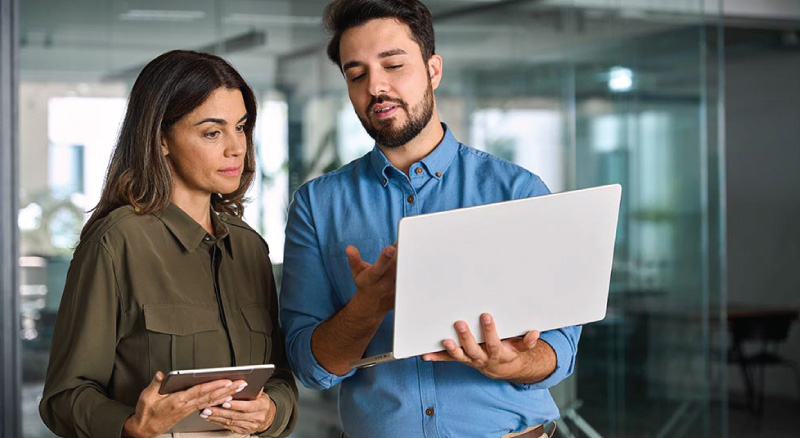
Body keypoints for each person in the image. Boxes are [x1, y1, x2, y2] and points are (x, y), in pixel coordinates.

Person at [278, 1, 582, 437]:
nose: (375, 86)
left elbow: (560, 347)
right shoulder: (317, 205)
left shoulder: (517, 190)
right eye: (357, 74)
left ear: (433, 70)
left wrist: (514, 362)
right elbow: (309, 367)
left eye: (393, 65)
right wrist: (367, 307)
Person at [39, 50, 297, 438]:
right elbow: (63, 398)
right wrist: (132, 426)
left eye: (241, 127)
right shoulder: (116, 243)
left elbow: (279, 378)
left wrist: (272, 412)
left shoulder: (250, 248)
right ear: (161, 139)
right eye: (212, 132)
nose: (236, 147)